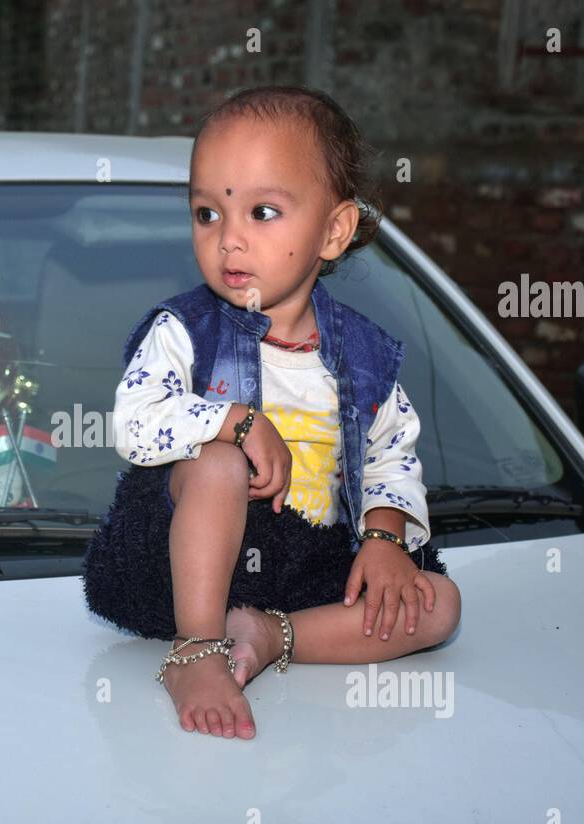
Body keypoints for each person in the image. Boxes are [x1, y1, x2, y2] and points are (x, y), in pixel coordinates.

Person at [81, 85, 463, 741]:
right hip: (180, 567)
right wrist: (236, 422)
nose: (228, 240)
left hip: (300, 568)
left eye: (261, 211)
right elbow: (136, 423)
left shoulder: (362, 354)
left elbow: (390, 453)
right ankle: (198, 649)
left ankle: (269, 634)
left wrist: (384, 536)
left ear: (334, 231)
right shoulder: (185, 332)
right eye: (206, 213)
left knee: (439, 604)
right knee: (219, 465)